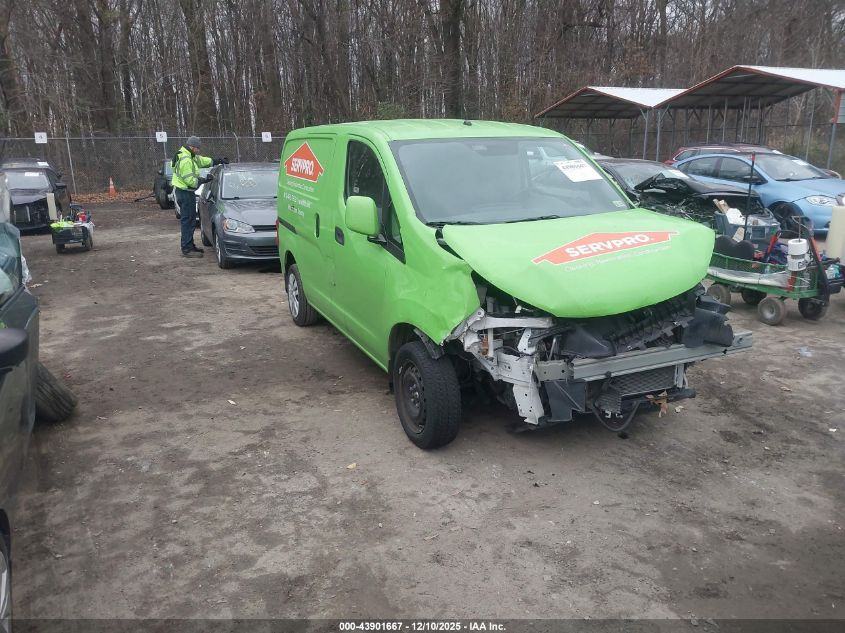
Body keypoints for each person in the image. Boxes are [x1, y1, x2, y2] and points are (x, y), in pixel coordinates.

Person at [171, 136, 227, 258]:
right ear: (192, 147)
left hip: (184, 192)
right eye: (197, 148)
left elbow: (201, 161)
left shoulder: (187, 155)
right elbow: (190, 181)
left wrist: (216, 161)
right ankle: (187, 249)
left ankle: (189, 246)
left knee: (189, 220)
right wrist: (204, 179)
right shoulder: (186, 159)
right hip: (185, 192)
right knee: (188, 221)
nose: (198, 151)